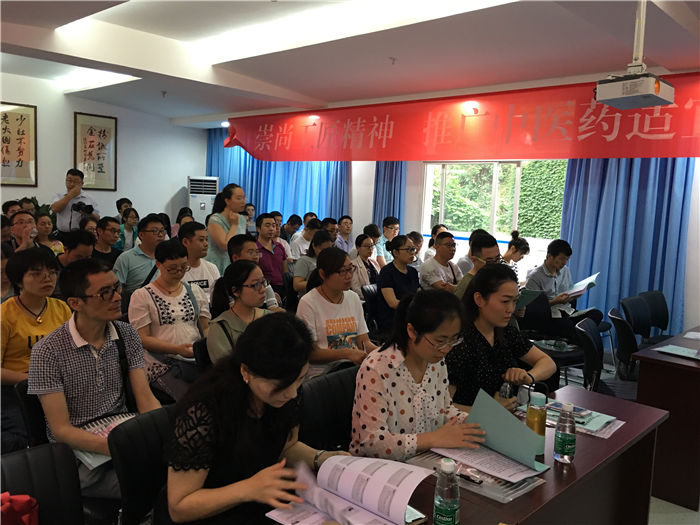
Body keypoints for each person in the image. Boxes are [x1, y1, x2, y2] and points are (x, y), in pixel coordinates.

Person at [166, 313, 349, 524]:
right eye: (279, 385)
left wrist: (321, 458)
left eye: (300, 379)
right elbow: (179, 507)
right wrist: (249, 488)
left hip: (263, 503)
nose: (291, 393)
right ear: (246, 371)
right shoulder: (203, 412)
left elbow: (286, 447)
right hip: (216, 511)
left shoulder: (286, 393)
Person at [28, 258, 161, 498]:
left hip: (121, 429)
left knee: (181, 467)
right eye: (105, 293)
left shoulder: (126, 334)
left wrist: (159, 431)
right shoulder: (48, 351)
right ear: (75, 303)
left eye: (117, 287)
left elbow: (145, 398)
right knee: (152, 484)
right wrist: (122, 448)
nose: (118, 297)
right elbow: (61, 430)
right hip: (78, 451)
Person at [350, 290, 485, 461]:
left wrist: (473, 424)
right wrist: (434, 438)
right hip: (379, 467)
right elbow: (372, 443)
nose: (446, 349)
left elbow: (445, 411)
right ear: (412, 331)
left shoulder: (435, 361)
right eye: (440, 341)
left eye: (453, 339)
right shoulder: (376, 369)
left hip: (425, 458)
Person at [447, 264, 557, 410]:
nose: (511, 309)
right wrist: (492, 410)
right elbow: (443, 409)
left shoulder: (504, 331)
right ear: (479, 299)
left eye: (514, 301)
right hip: (469, 421)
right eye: (505, 301)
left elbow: (548, 363)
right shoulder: (459, 341)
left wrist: (528, 376)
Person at [1, 248, 71, 452]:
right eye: (36, 274)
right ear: (18, 280)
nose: (47, 278)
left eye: (51, 272)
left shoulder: (61, 308)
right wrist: (35, 380)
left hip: (56, 384)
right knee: (24, 440)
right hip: (15, 390)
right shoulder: (5, 315)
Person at [129, 240, 210, 401]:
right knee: (192, 400)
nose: (179, 272)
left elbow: (205, 326)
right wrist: (176, 349)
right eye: (172, 268)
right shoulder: (142, 295)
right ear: (158, 264)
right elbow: (142, 338)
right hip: (160, 363)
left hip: (193, 359)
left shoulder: (194, 291)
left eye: (184, 267)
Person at [297, 247, 377, 377]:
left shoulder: (353, 298)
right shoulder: (308, 303)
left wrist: (381, 352)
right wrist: (347, 353)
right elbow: (311, 353)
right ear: (323, 274)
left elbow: (364, 342)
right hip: (322, 376)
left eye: (350, 269)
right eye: (342, 271)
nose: (349, 276)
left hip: (352, 369)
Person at [525, 239, 603, 341]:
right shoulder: (534, 277)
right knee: (571, 326)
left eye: (567, 259)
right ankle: (581, 344)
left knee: (596, 314)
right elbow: (533, 308)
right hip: (547, 317)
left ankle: (578, 341)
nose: (564, 262)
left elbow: (569, 292)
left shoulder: (565, 270)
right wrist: (555, 301)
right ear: (549, 256)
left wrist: (575, 295)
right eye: (562, 259)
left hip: (566, 311)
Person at [207, 260, 274, 363]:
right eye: (256, 285)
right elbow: (225, 368)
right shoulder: (221, 327)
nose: (263, 289)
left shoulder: (271, 318)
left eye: (263, 282)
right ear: (235, 291)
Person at [376, 235, 420, 335]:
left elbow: (419, 295)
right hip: (393, 319)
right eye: (408, 249)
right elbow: (392, 303)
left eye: (413, 249)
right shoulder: (387, 272)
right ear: (395, 252)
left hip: (410, 315)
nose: (412, 253)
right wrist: (415, 309)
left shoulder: (412, 272)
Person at [228, 234, 283, 311]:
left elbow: (273, 307)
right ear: (235, 258)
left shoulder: (263, 280)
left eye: (257, 252)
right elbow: (235, 311)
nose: (255, 257)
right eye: (250, 253)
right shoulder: (226, 282)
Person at [113, 213, 164, 294]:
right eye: (155, 231)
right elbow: (117, 289)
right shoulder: (126, 258)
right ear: (141, 235)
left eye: (162, 231)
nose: (160, 235)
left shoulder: (167, 257)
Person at [206, 183, 247, 274]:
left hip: (234, 263)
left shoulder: (242, 219)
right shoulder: (215, 219)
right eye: (239, 198)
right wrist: (234, 225)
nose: (243, 201)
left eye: (244, 198)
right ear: (227, 201)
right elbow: (225, 246)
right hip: (217, 263)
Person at [179, 221, 220, 304]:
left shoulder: (212, 268)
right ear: (185, 242)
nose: (206, 244)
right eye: (201, 240)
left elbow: (218, 297)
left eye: (206, 239)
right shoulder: (174, 271)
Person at [50, 168, 100, 236]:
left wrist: (87, 213)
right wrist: (70, 195)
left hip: (81, 235)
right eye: (69, 180)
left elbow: (97, 218)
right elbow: (54, 209)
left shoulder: (89, 198)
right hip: (62, 234)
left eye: (76, 181)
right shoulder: (59, 195)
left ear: (82, 183)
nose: (72, 184)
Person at [454, 232, 501, 298]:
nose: (495, 265)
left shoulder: (491, 279)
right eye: (489, 261)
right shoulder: (466, 287)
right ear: (474, 260)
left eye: (498, 259)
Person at [256, 213, 289, 299]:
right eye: (267, 225)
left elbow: (285, 271)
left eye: (274, 226)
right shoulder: (253, 247)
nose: (271, 229)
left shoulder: (279, 246)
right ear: (258, 228)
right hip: (261, 288)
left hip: (281, 288)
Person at [293, 230, 333, 299]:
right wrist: (322, 283)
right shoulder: (304, 260)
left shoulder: (331, 261)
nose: (325, 253)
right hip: (311, 298)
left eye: (329, 250)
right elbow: (297, 285)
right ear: (314, 246)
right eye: (322, 250)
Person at [350, 234, 380, 300]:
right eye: (367, 246)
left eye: (372, 245)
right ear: (358, 248)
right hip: (366, 299)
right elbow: (356, 288)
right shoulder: (353, 265)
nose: (370, 248)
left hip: (379, 296)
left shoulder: (374, 263)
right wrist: (370, 297)